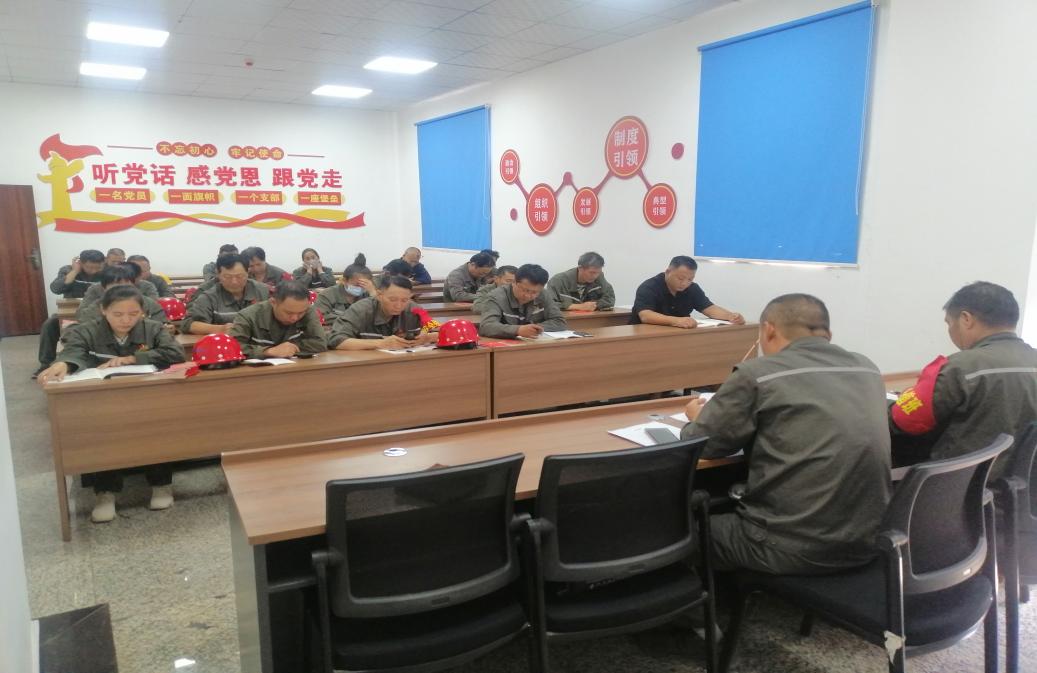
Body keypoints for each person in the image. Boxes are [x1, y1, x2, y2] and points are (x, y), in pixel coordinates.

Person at [679, 294, 891, 575]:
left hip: (786, 545)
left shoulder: (758, 373)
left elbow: (704, 445)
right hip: (867, 540)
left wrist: (699, 418)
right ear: (828, 335)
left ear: (768, 330)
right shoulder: (867, 368)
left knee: (669, 531)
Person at [36, 285, 186, 522]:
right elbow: (73, 352)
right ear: (103, 310)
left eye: (133, 314)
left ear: (142, 312)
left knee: (157, 428)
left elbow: (175, 354)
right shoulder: (87, 330)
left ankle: (161, 485)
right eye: (118, 314)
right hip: (102, 401)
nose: (126, 320)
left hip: (147, 398)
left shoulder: (153, 328)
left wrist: (133, 358)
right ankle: (105, 492)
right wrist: (64, 364)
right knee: (101, 434)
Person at [889, 281, 1037, 477]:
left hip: (958, 484)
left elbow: (903, 420)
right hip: (1018, 483)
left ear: (966, 319)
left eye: (949, 323)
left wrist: (905, 398)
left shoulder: (961, 367)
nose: (950, 331)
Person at [33, 249, 106, 378]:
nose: (94, 271)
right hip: (69, 311)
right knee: (49, 325)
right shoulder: (67, 270)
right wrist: (75, 271)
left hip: (97, 311)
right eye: (89, 267)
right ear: (81, 263)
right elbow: (56, 289)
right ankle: (45, 364)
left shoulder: (106, 272)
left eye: (97, 267)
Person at [328, 274, 437, 350]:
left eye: (404, 300)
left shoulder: (414, 308)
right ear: (379, 295)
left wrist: (429, 337)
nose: (399, 305)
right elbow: (336, 340)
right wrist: (380, 343)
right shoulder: (361, 310)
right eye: (392, 299)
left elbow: (441, 330)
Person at [630, 256, 744, 327]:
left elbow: (709, 309)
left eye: (690, 279)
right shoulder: (649, 287)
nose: (685, 283)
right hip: (643, 335)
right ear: (668, 272)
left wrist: (730, 316)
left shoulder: (692, 288)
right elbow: (646, 315)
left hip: (677, 335)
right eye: (680, 278)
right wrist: (676, 321)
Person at [229, 280, 327, 358]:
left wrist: (290, 347)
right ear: (273, 302)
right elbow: (232, 348)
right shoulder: (248, 316)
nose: (295, 318)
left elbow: (320, 343)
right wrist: (268, 351)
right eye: (289, 313)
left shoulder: (308, 310)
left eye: (301, 313)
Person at [182, 253, 269, 335]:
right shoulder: (209, 297)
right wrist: (220, 329)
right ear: (218, 275)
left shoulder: (263, 291)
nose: (234, 282)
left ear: (247, 273)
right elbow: (187, 324)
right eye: (227, 277)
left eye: (239, 276)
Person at [478, 264, 567, 339]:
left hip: (534, 343)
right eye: (525, 290)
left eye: (534, 292)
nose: (528, 295)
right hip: (507, 346)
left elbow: (559, 321)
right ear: (514, 282)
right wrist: (518, 330)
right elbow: (486, 327)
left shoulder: (543, 294)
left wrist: (534, 329)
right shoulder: (496, 296)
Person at [74, 264, 167, 325]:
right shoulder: (98, 305)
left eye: (127, 284)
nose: (122, 289)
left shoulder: (147, 302)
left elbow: (160, 323)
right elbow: (83, 320)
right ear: (104, 287)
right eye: (116, 285)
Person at [545, 252, 616, 311]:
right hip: (565, 321)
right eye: (592, 272)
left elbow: (610, 299)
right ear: (580, 268)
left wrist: (593, 305)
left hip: (590, 319)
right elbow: (547, 304)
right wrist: (577, 306)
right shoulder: (558, 281)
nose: (595, 276)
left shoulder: (599, 278)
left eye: (598, 272)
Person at [315, 254, 374, 322]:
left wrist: (373, 294)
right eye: (358, 285)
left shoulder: (368, 295)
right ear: (344, 281)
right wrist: (351, 318)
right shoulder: (327, 295)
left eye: (364, 285)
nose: (361, 288)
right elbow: (321, 316)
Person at [80, 261, 159, 303]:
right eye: (117, 283)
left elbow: (155, 311)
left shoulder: (146, 291)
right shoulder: (96, 293)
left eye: (127, 283)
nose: (122, 287)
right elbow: (83, 315)